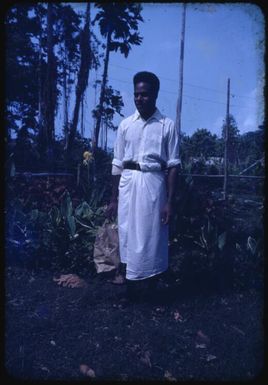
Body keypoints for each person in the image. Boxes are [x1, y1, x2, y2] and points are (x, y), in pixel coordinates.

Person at [106, 71, 180, 303]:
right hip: (128, 182)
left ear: (155, 95)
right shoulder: (126, 125)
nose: (139, 99)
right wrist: (113, 198)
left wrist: (169, 201)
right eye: (137, 95)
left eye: (145, 95)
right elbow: (117, 163)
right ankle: (129, 290)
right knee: (128, 232)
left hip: (153, 182)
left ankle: (152, 292)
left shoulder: (167, 125)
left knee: (152, 235)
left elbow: (173, 165)